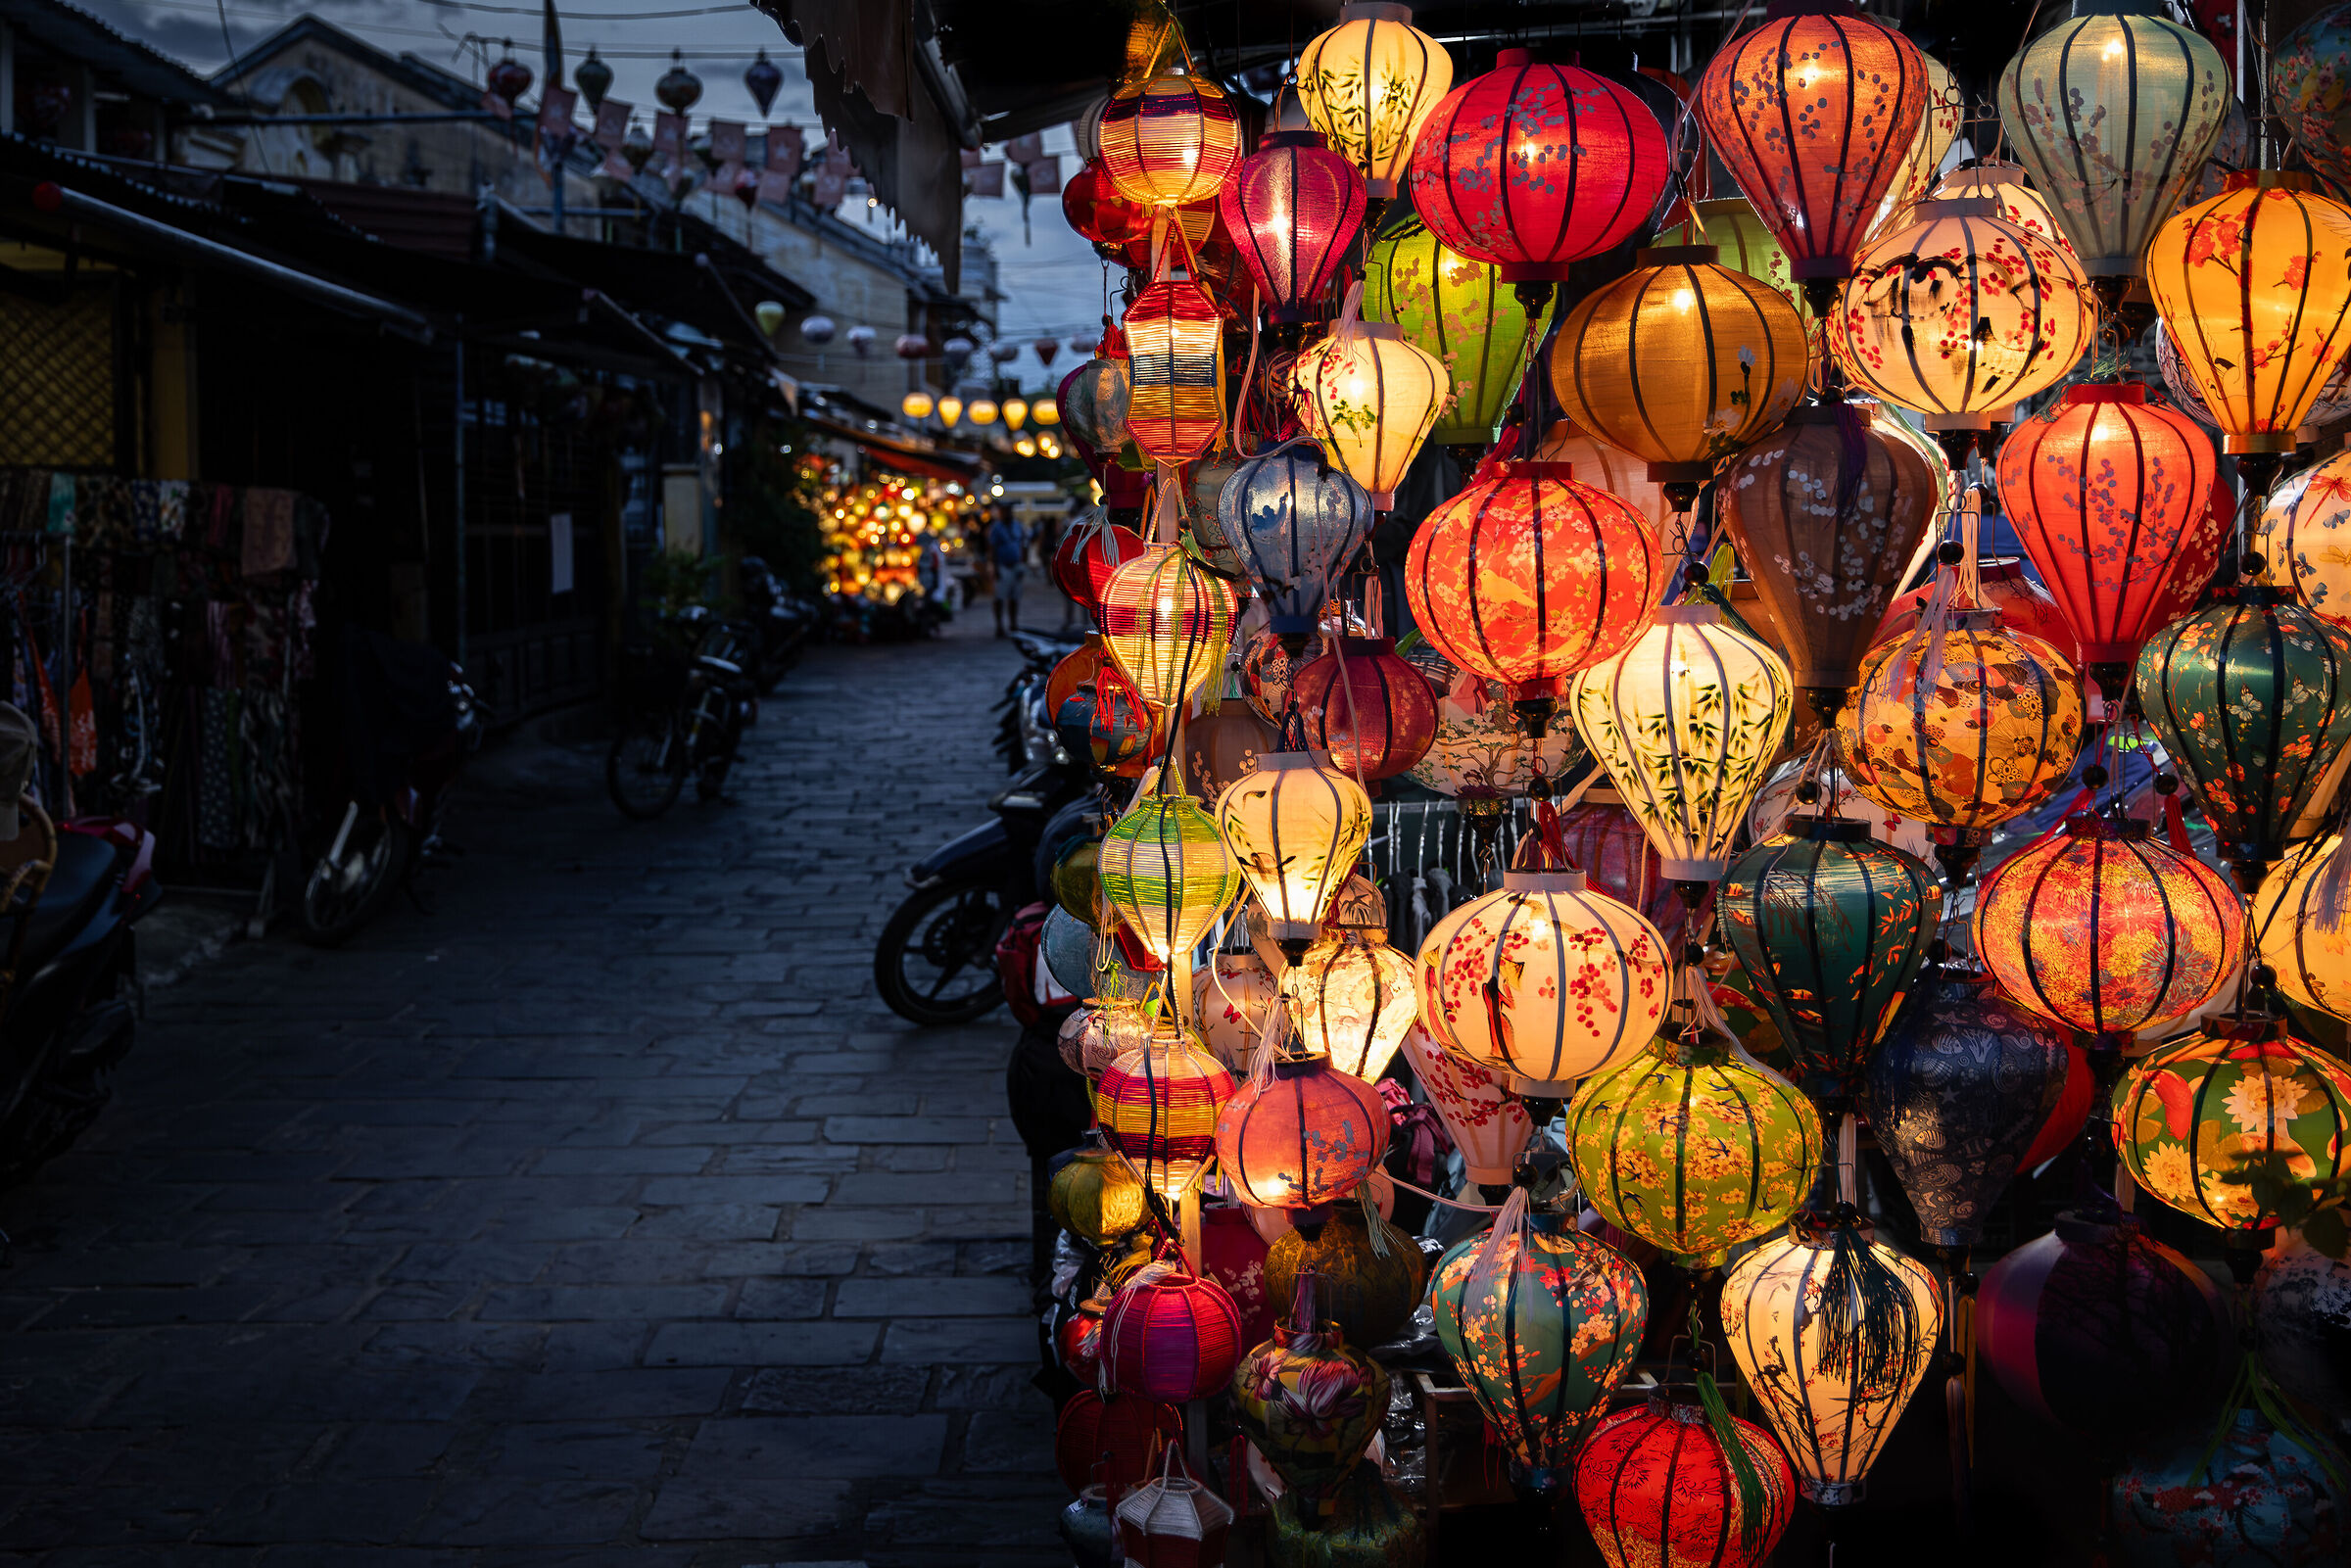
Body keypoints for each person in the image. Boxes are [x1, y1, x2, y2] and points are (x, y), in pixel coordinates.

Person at [986, 505, 1029, 636]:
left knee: (1014, 597)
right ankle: (999, 625)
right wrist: (995, 567)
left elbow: (1023, 543)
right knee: (999, 597)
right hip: (1003, 566)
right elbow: (992, 547)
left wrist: (1023, 563)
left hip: (1016, 565)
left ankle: (1013, 624)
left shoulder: (1017, 526)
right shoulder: (996, 528)